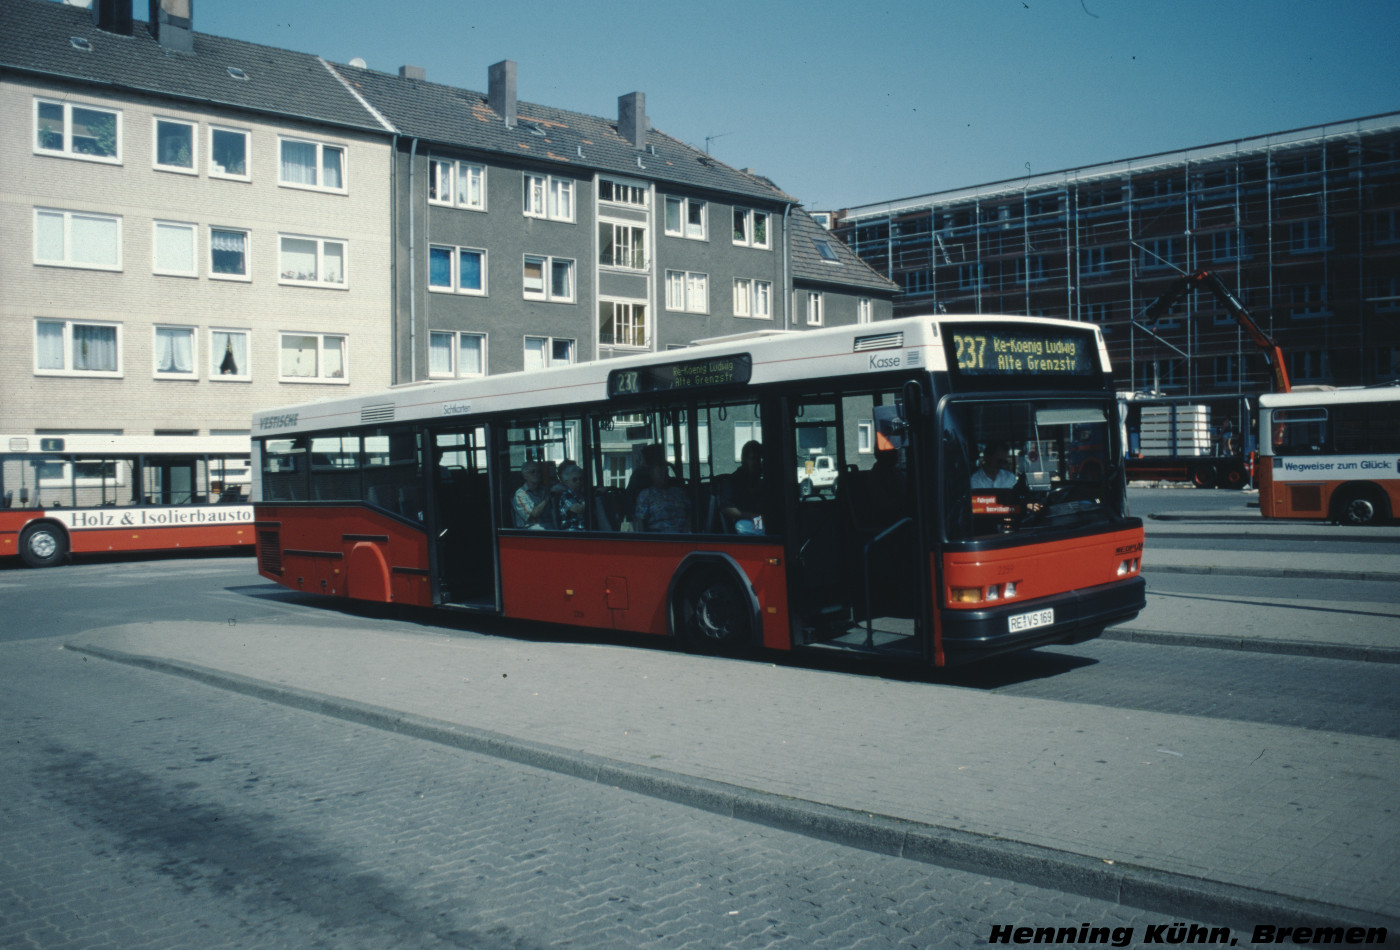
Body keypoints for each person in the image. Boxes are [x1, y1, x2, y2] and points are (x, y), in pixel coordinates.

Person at [719, 440, 765, 534]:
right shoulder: (732, 481)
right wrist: (750, 516)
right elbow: (726, 508)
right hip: (745, 523)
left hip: (760, 520)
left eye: (760, 459)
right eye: (753, 459)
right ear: (744, 459)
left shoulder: (760, 481)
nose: (757, 463)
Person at [635, 458, 690, 532]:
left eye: (665, 473)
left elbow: (690, 513)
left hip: (683, 536)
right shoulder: (645, 495)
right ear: (652, 475)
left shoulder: (678, 492)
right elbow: (640, 522)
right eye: (660, 473)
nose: (663, 476)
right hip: (659, 538)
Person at [512, 460, 553, 528]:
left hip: (548, 525)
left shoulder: (545, 490)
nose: (536, 474)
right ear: (525, 476)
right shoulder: (520, 494)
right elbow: (534, 513)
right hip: (530, 531)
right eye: (532, 472)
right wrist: (548, 498)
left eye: (538, 472)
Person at [552, 461, 587, 531]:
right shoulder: (565, 495)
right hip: (572, 532)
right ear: (566, 482)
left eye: (581, 479)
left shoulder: (581, 493)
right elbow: (578, 509)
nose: (579, 482)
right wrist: (592, 498)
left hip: (585, 529)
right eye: (575, 480)